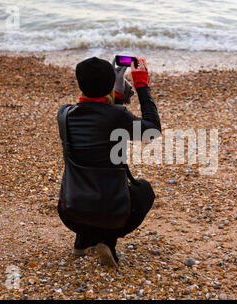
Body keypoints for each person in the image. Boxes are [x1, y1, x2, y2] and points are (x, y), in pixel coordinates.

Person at [56, 56, 161, 268]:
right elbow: (152, 132)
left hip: (70, 212)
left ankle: (83, 238)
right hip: (114, 215)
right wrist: (141, 85)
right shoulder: (117, 116)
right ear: (109, 85)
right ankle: (107, 241)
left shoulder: (64, 115)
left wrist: (116, 94)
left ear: (80, 84)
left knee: (76, 173)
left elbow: (103, 120)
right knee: (145, 191)